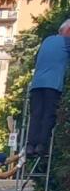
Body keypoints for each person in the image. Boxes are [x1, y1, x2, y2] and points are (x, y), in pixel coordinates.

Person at [26, 19, 70, 161]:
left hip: (36, 85)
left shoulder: (47, 40)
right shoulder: (66, 42)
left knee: (36, 115)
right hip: (52, 85)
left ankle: (30, 145)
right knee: (48, 115)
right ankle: (41, 146)